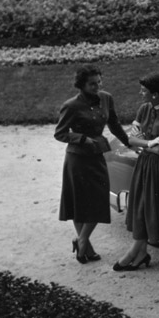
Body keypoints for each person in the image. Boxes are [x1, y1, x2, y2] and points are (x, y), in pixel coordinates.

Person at [55, 65, 130, 264]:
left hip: (96, 156)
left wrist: (128, 142)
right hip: (77, 159)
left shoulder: (106, 98)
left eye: (99, 82)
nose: (97, 87)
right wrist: (81, 138)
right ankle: (86, 246)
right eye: (92, 84)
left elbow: (114, 124)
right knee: (79, 202)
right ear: (81, 85)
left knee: (99, 199)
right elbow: (60, 133)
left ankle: (80, 240)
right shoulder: (71, 106)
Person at [113, 73, 159, 272]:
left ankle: (135, 252)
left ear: (155, 94)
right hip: (144, 164)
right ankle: (140, 253)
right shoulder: (144, 108)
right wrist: (150, 142)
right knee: (140, 206)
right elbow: (131, 139)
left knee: (147, 207)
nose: (140, 93)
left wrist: (143, 143)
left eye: (144, 90)